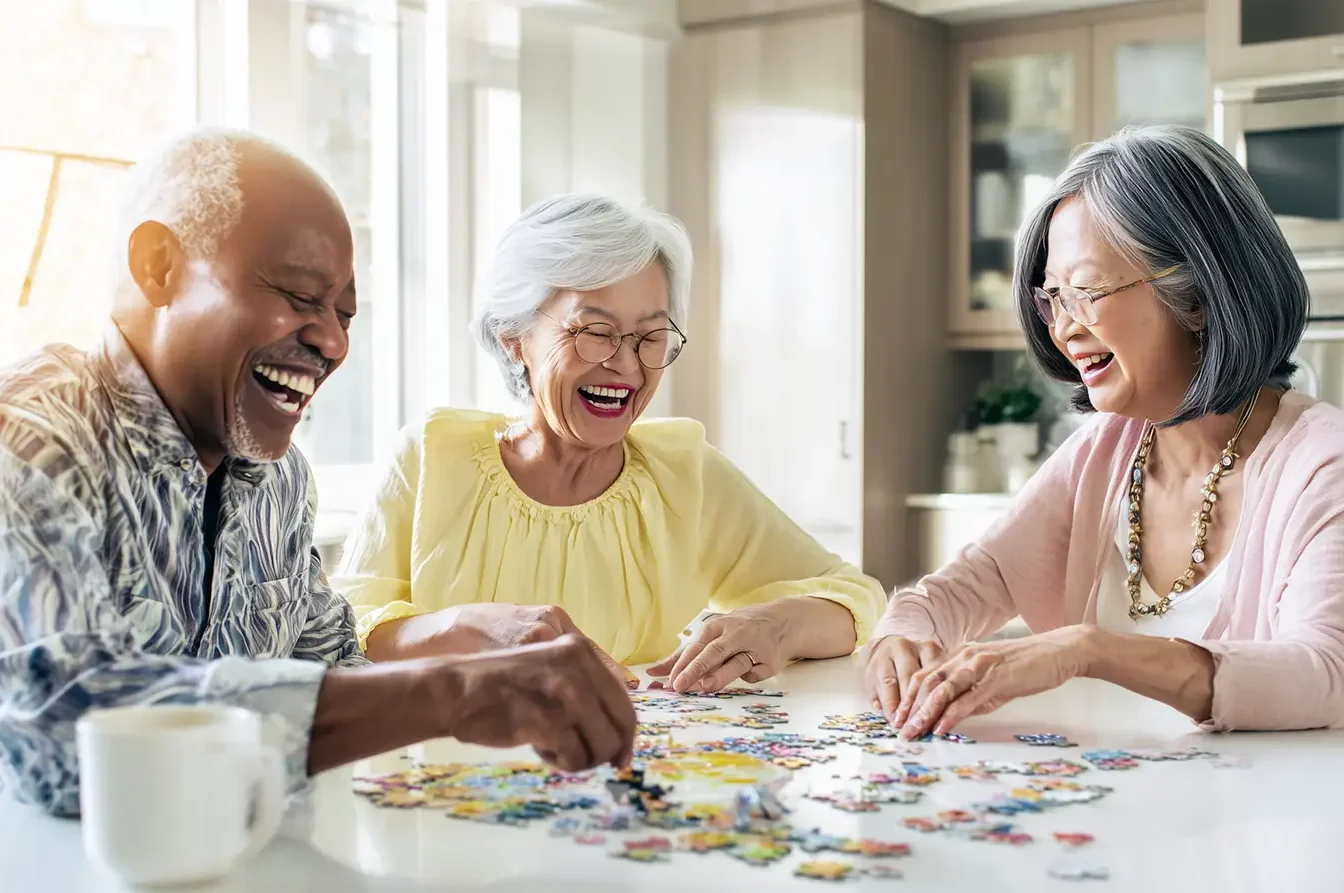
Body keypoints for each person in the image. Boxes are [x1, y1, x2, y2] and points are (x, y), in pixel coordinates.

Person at [0, 128, 635, 817]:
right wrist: (451, 690)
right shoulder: (33, 438)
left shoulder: (280, 479)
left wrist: (468, 646)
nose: (332, 342)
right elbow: (67, 736)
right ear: (158, 266)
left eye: (343, 313)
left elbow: (332, 667)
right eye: (300, 296)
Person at [864, 125, 1344, 738]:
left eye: (1086, 292)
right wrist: (902, 638)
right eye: (1053, 298)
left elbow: (1324, 676)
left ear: (1196, 296)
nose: (1063, 328)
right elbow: (948, 596)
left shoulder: (1322, 462)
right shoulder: (1106, 449)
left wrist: (1089, 650)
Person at [332, 194, 886, 692]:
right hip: (450, 779)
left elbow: (851, 596)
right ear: (515, 339)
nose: (625, 365)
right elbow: (341, 625)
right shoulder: (431, 457)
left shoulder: (683, 477)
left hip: (637, 782)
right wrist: (461, 628)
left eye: (651, 337)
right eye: (595, 331)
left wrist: (773, 625)